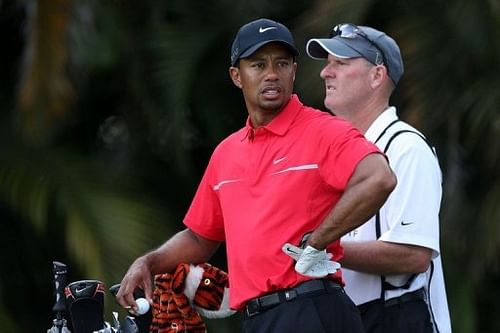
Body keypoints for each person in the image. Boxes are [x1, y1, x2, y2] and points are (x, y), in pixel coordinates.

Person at [116, 18, 396, 333]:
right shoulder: (226, 153)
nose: (272, 74)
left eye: (281, 63)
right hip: (258, 319)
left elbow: (378, 178)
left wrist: (317, 241)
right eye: (258, 65)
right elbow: (199, 237)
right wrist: (150, 262)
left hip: (312, 309)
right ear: (237, 76)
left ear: (294, 70)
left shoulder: (325, 131)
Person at [306, 23, 452, 333]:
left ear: (377, 76)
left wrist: (321, 247)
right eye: (328, 63)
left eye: (340, 63)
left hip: (400, 318)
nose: (325, 73)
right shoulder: (332, 153)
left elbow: (413, 255)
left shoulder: (407, 147)